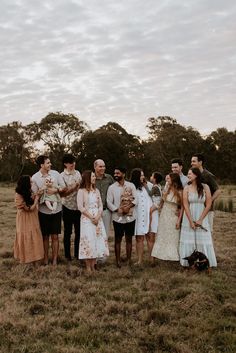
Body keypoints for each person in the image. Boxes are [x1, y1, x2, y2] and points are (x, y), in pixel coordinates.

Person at [179, 167, 217, 268]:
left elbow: (208, 204)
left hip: (202, 214)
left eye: (190, 174)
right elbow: (186, 205)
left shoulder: (205, 187)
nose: (188, 176)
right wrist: (191, 221)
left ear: (196, 175)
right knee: (189, 238)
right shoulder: (186, 188)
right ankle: (189, 262)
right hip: (189, 215)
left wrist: (200, 219)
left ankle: (204, 262)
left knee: (203, 238)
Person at [32, 155, 66, 266]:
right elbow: (34, 195)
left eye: (50, 162)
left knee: (55, 236)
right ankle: (46, 258)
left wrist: (55, 190)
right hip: (43, 211)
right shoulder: (35, 178)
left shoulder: (56, 174)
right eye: (48, 163)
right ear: (41, 165)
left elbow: (63, 187)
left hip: (56, 210)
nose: (50, 164)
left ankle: (55, 259)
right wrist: (42, 191)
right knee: (45, 236)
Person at [77, 170, 109, 272]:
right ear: (87, 178)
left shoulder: (97, 191)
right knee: (88, 241)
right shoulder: (81, 191)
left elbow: (100, 205)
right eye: (93, 176)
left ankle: (94, 264)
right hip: (87, 218)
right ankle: (88, 267)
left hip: (97, 218)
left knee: (96, 240)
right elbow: (80, 207)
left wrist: (98, 216)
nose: (94, 178)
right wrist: (91, 217)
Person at [107, 167, 137, 268]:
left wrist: (128, 207)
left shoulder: (131, 185)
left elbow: (136, 199)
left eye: (118, 173)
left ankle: (129, 260)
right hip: (117, 217)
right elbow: (108, 202)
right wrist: (117, 209)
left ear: (123, 174)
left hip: (130, 217)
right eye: (115, 173)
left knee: (129, 239)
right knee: (118, 239)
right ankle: (118, 261)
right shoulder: (111, 188)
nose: (115, 175)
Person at [151, 173, 183, 261]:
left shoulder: (180, 191)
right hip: (164, 214)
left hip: (173, 215)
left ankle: (172, 255)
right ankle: (161, 254)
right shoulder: (166, 189)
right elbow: (162, 202)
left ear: (173, 180)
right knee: (162, 234)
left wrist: (179, 220)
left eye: (168, 179)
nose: (167, 180)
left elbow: (182, 206)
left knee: (173, 235)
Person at [14, 175, 44, 264]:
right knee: (26, 234)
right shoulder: (18, 195)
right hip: (24, 218)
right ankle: (25, 258)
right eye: (30, 182)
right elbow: (29, 209)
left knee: (34, 234)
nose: (32, 183)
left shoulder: (29, 191)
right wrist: (36, 199)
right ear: (26, 183)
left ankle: (34, 258)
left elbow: (32, 198)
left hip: (32, 217)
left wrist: (37, 194)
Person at [191, 153, 220, 230]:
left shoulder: (208, 175)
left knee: (207, 231)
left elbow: (218, 190)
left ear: (200, 162)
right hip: (196, 208)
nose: (191, 163)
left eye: (194, 161)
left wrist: (209, 200)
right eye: (191, 161)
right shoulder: (193, 175)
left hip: (207, 209)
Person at [61, 154, 82, 261]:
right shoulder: (62, 176)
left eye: (74, 162)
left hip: (78, 207)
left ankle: (78, 254)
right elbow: (63, 194)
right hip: (67, 207)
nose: (73, 164)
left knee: (79, 232)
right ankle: (67, 255)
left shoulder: (78, 173)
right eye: (70, 162)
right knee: (68, 232)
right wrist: (74, 187)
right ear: (65, 164)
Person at [130, 168, 153, 265]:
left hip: (149, 213)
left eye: (143, 175)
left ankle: (152, 259)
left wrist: (146, 186)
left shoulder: (150, 185)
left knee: (150, 236)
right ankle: (139, 260)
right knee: (139, 238)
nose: (143, 177)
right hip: (138, 215)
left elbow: (154, 197)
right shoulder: (132, 187)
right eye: (141, 175)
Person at [94, 159, 114, 237]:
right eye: (100, 166)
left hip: (106, 210)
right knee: (95, 233)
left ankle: (104, 249)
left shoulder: (109, 178)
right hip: (94, 211)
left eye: (104, 166)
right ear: (95, 167)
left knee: (105, 234)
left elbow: (114, 190)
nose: (103, 168)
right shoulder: (91, 178)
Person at [149, 172, 163, 253]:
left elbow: (150, 194)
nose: (150, 177)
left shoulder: (154, 187)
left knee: (152, 228)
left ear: (154, 179)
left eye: (152, 176)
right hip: (156, 207)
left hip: (155, 206)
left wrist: (145, 186)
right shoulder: (159, 186)